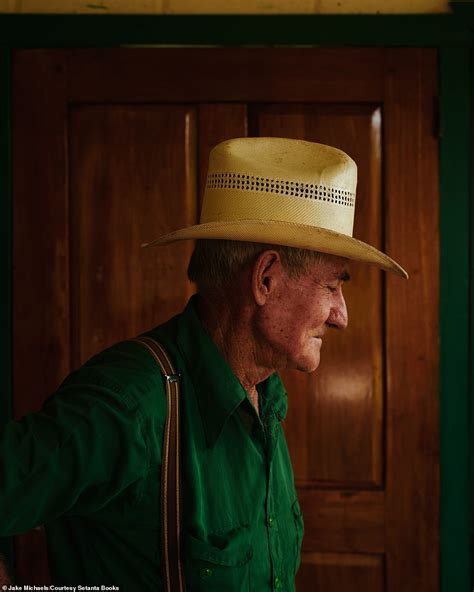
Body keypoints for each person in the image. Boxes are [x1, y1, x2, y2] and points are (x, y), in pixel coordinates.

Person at [0, 137, 407, 591]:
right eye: (333, 286)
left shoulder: (266, 398)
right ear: (266, 278)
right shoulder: (129, 405)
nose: (342, 316)